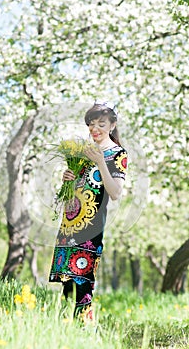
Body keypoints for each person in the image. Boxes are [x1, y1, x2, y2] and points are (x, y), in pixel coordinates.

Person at [49, 101, 128, 322]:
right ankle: (65, 330)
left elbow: (115, 193)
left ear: (112, 125)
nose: (95, 129)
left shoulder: (117, 154)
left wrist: (101, 162)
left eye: (101, 124)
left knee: (82, 280)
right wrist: (68, 180)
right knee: (67, 280)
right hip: (70, 222)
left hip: (91, 226)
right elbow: (80, 188)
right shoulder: (83, 151)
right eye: (91, 124)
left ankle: (84, 330)